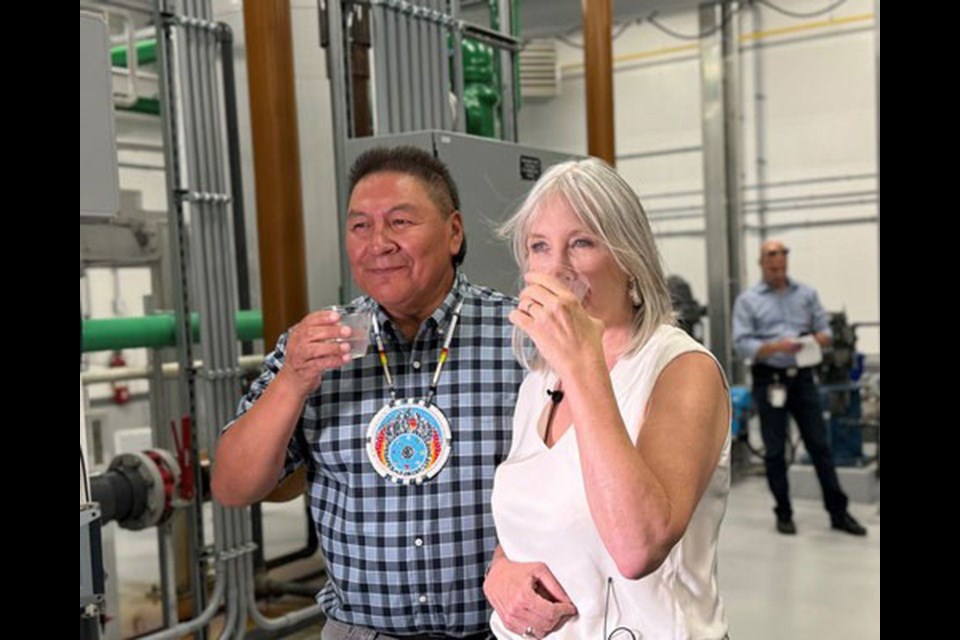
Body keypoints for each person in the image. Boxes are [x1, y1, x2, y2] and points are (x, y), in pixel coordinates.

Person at [212, 146, 525, 639]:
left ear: (453, 232)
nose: (378, 243)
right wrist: (292, 382)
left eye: (400, 222)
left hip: (502, 631)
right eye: (360, 226)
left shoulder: (521, 339)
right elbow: (232, 486)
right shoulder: (314, 349)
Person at [483, 158, 732, 640]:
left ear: (627, 257)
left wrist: (582, 363)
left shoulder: (681, 370)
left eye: (581, 243)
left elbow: (637, 548)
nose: (556, 268)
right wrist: (500, 570)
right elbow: (536, 507)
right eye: (539, 246)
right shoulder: (540, 378)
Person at [732, 239, 867, 537]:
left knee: (820, 446)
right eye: (771, 261)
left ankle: (838, 512)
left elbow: (826, 331)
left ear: (787, 262)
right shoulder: (748, 301)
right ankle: (783, 513)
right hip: (770, 379)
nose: (777, 267)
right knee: (775, 450)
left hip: (803, 378)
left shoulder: (806, 294)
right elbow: (742, 343)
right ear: (762, 263)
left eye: (782, 261)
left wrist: (816, 339)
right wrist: (776, 346)